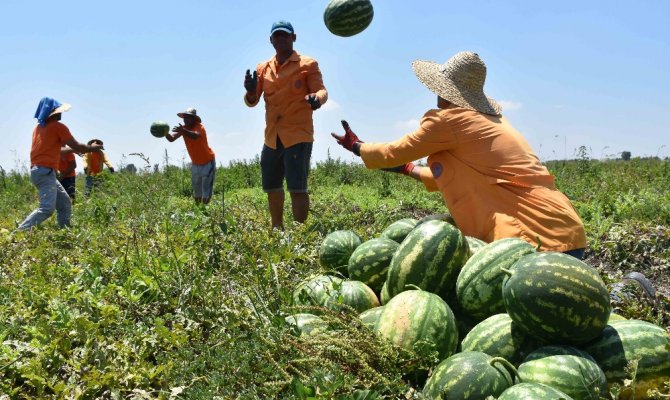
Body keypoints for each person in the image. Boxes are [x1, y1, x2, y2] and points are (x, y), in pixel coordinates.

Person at [332, 51, 587, 258]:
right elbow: (448, 174)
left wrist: (357, 146)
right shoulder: (488, 122)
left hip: (533, 240)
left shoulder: (450, 121)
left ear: (444, 91)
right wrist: (406, 169)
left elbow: (393, 151)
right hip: (565, 232)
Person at [244, 20, 328, 229]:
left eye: (285, 35)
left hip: (298, 134)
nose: (281, 39)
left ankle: (300, 233)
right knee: (272, 186)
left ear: (293, 37)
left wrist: (317, 99)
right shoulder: (263, 68)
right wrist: (250, 91)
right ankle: (277, 229)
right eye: (277, 36)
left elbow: (322, 91)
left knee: (297, 187)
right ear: (271, 40)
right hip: (272, 136)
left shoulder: (308, 64)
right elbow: (252, 102)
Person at [17, 97, 103, 230]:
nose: (61, 113)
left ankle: (64, 230)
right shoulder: (58, 127)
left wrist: (75, 149)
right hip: (45, 172)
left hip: (40, 171)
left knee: (65, 203)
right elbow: (76, 145)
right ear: (54, 112)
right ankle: (19, 232)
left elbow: (61, 149)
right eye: (59, 111)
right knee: (46, 209)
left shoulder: (39, 128)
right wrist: (92, 148)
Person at [164, 108, 216, 205]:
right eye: (184, 118)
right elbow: (171, 138)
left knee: (206, 191)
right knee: (197, 192)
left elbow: (195, 136)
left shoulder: (199, 127)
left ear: (194, 119)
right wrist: (164, 132)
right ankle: (198, 211)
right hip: (195, 164)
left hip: (207, 162)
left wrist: (183, 131)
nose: (185, 120)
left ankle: (205, 212)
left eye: (188, 118)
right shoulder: (184, 129)